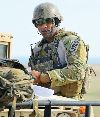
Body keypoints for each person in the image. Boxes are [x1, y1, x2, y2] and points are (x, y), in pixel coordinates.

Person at [29, 2, 92, 99]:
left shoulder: (70, 41)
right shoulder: (37, 49)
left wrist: (46, 77)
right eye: (39, 22)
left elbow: (78, 71)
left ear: (56, 22)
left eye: (48, 21)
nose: (44, 26)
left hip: (68, 103)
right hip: (42, 101)